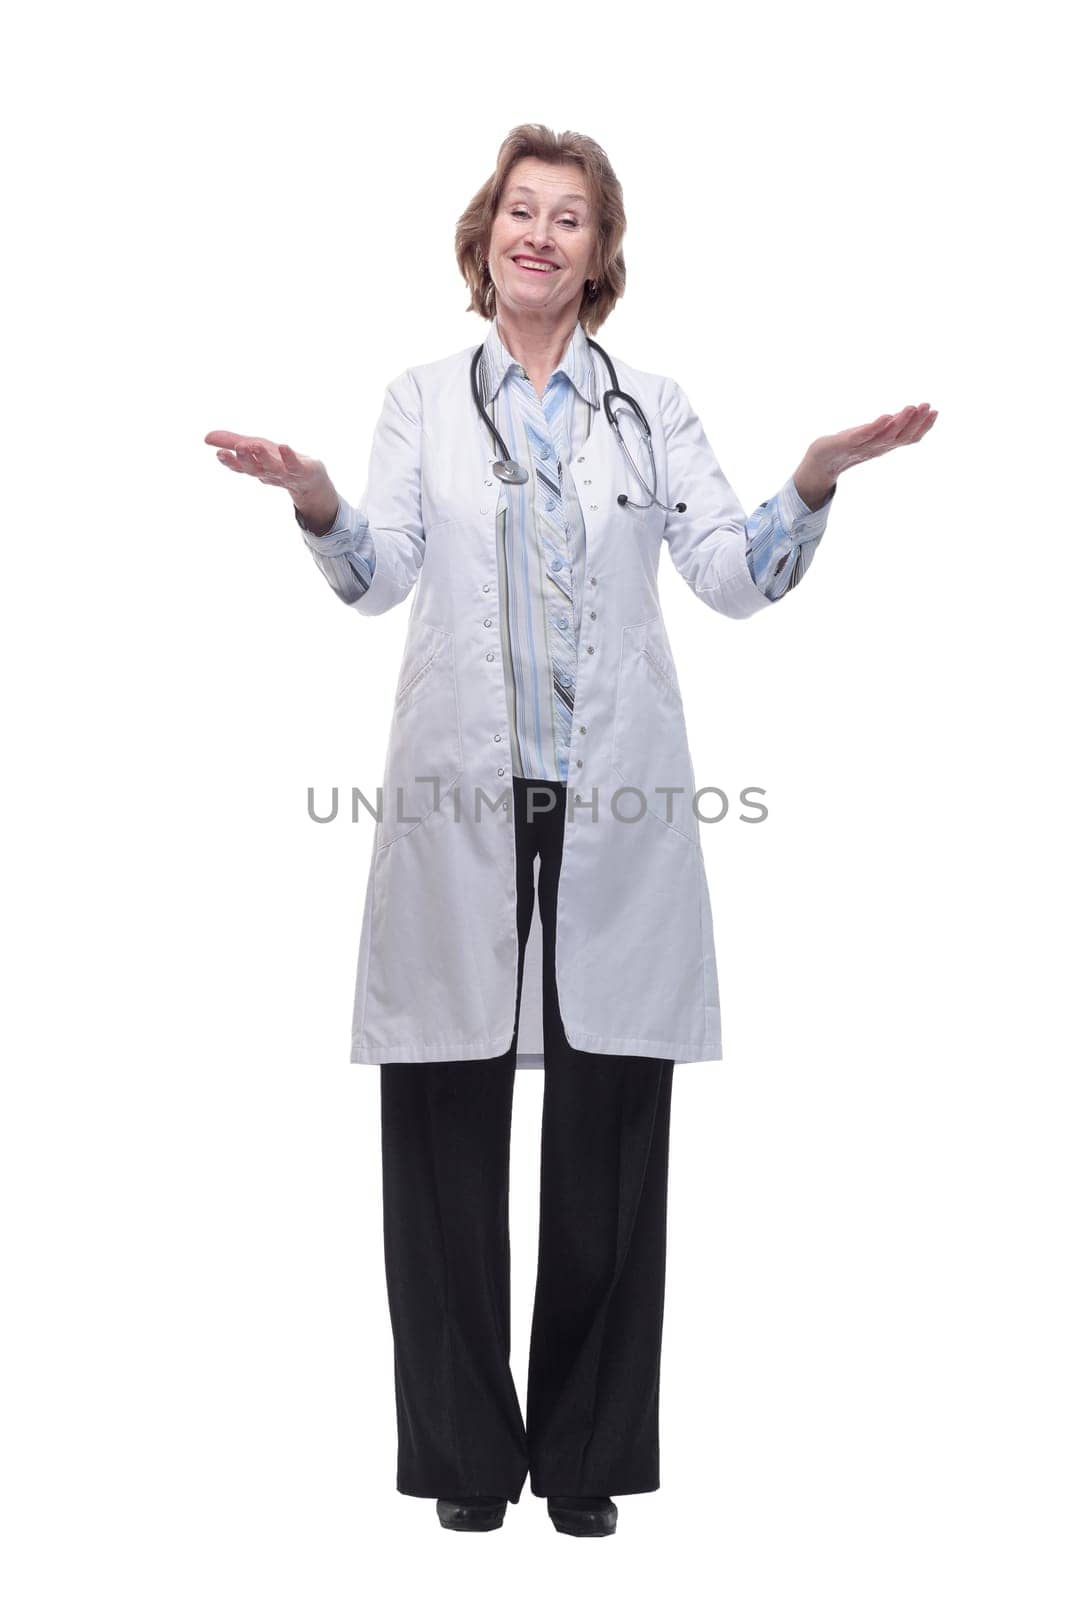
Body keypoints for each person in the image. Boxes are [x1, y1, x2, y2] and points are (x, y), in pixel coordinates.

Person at [205, 123, 937, 1538]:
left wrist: (814, 480)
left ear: (602, 255)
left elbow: (730, 576)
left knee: (611, 1122)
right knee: (439, 1112)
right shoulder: (422, 397)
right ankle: (466, 1463)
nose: (540, 235)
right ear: (484, 236)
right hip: (458, 793)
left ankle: (587, 1457)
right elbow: (381, 576)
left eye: (572, 219)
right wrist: (315, 503)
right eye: (520, 212)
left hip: (619, 798)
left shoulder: (650, 407)